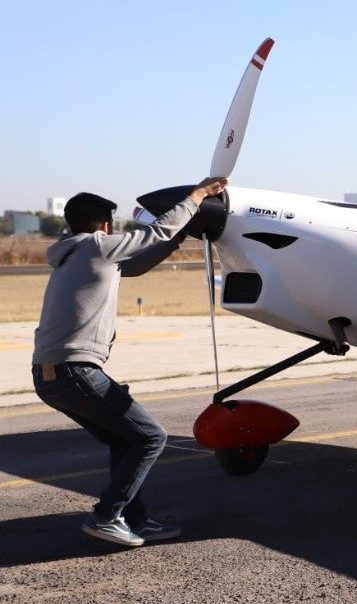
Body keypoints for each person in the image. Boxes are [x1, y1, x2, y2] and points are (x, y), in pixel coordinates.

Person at [31, 177, 226, 547]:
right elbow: (155, 232)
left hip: (47, 375)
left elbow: (133, 266)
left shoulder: (74, 253)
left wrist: (176, 241)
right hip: (75, 370)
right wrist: (197, 196)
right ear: (104, 225)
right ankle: (106, 516)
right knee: (152, 437)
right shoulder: (98, 246)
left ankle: (134, 519)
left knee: (125, 439)